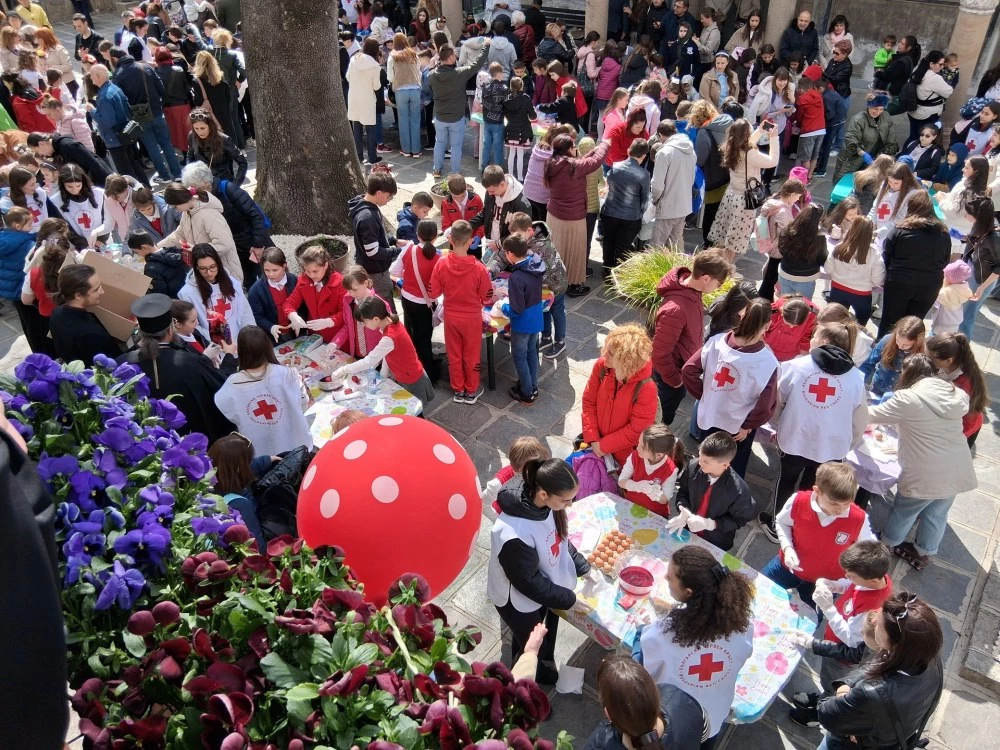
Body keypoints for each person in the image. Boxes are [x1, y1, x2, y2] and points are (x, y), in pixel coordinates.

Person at [636, 546, 754, 745]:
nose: (665, 578)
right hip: (714, 714)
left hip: (677, 721)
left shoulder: (661, 635)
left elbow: (643, 670)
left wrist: (640, 630)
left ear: (688, 592)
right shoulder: (741, 626)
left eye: (670, 577)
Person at [759, 321, 867, 534]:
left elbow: (777, 402)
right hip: (831, 447)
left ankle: (775, 525)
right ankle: (802, 525)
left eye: (814, 336)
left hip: (794, 439)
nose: (811, 339)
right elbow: (860, 419)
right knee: (813, 487)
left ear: (824, 342)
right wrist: (848, 442)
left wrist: (777, 427)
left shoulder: (795, 366)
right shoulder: (856, 378)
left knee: (786, 481)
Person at [870, 355, 978, 570]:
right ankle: (924, 551)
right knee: (937, 513)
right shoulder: (954, 394)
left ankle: (888, 544)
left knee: (905, 510)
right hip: (956, 466)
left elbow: (871, 415)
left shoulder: (907, 398)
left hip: (926, 473)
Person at [488, 458, 589, 685]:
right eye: (566, 500)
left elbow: (558, 539)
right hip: (513, 597)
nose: (570, 505)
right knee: (532, 642)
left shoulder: (546, 505)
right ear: (544, 495)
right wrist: (568, 599)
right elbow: (528, 583)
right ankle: (532, 679)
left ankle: (530, 654)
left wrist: (582, 565)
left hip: (538, 585)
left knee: (535, 628)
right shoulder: (513, 533)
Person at [816, 593, 944, 750]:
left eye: (879, 624)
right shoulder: (929, 657)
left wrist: (842, 691)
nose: (874, 620)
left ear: (894, 643)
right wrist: (848, 682)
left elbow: (826, 713)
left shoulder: (871, 693)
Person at [682, 297, 778, 478]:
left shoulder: (717, 342)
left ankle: (701, 484)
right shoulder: (768, 362)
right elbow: (766, 404)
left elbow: (688, 370)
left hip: (711, 414)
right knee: (733, 465)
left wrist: (706, 395)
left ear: (742, 316)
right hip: (738, 425)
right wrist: (749, 425)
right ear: (767, 326)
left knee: (707, 456)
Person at [120, 293, 233, 441]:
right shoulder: (190, 362)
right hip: (193, 438)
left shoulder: (123, 363)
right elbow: (222, 386)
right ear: (171, 329)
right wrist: (230, 357)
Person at [651, 251, 730, 426]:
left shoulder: (692, 290)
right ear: (706, 279)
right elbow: (659, 354)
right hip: (670, 378)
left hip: (680, 368)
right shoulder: (675, 310)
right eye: (719, 283)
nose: (718, 288)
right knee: (660, 419)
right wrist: (676, 381)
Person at [214, 326, 313, 455]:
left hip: (262, 455)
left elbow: (228, 413)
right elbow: (303, 404)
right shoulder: (288, 374)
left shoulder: (231, 385)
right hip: (296, 446)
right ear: (267, 347)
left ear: (241, 351)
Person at [330, 295, 436, 412]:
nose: (364, 326)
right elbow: (387, 353)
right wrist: (383, 373)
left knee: (415, 413)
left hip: (412, 379)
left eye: (364, 322)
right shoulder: (391, 321)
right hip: (408, 374)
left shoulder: (389, 337)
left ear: (375, 319)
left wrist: (344, 369)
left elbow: (369, 361)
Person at [583, 655, 707, 750]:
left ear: (608, 714)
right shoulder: (680, 700)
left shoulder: (599, 744)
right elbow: (703, 732)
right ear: (656, 693)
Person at [429, 220, 493, 404]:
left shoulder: (441, 264)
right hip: (472, 318)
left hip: (451, 316)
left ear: (450, 239)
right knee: (471, 355)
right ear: (470, 242)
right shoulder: (479, 268)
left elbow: (433, 292)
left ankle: (458, 390)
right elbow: (487, 296)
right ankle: (471, 390)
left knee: (454, 354)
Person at [581, 324, 658, 466]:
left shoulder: (646, 388)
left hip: (624, 458)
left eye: (610, 353)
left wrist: (603, 446)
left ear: (626, 359)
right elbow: (589, 402)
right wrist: (592, 437)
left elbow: (637, 430)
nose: (604, 354)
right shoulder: (602, 366)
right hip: (596, 444)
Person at [663, 432, 754, 552]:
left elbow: (739, 520)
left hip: (715, 541)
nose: (700, 463)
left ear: (725, 464)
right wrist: (683, 509)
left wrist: (710, 524)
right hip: (686, 530)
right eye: (700, 456)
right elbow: (683, 491)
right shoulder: (693, 466)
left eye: (706, 461)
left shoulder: (739, 491)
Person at [543, 133, 609, 296]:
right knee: (575, 252)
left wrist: (591, 152)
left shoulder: (552, 163)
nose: (576, 149)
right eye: (573, 146)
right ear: (567, 150)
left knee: (557, 250)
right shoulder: (574, 167)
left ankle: (555, 281)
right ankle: (573, 286)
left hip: (554, 217)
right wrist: (604, 145)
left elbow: (583, 161)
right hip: (573, 219)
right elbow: (594, 162)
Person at [877, 191, 949, 338]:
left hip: (899, 282)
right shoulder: (943, 233)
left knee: (890, 322)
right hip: (929, 286)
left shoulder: (900, 229)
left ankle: (882, 352)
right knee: (913, 325)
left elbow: (887, 255)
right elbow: (945, 261)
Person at [706, 119, 778, 261]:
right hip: (745, 200)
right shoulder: (750, 153)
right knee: (734, 241)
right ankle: (724, 270)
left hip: (731, 195)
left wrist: (760, 131)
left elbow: (746, 144)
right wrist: (774, 138)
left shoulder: (730, 146)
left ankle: (715, 263)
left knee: (724, 235)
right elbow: (772, 161)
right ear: (746, 134)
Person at [109, 48, 184, 182]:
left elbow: (120, 100)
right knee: (166, 144)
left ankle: (164, 176)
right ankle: (177, 174)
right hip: (156, 111)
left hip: (138, 117)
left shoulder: (117, 75)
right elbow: (161, 89)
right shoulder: (145, 67)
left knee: (152, 147)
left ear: (114, 59)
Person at [388, 219, 441, 383]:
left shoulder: (408, 249)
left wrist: (408, 276)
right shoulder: (438, 258)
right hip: (426, 303)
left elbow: (394, 271)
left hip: (407, 299)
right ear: (435, 237)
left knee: (411, 335)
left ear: (418, 235)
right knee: (424, 338)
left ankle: (414, 368)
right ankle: (429, 374)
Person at [429, 40, 491, 178]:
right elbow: (477, 64)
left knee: (439, 143)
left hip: (439, 116)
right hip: (457, 116)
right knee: (456, 147)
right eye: (455, 55)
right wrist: (486, 46)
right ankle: (454, 172)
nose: (456, 57)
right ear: (450, 57)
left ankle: (437, 170)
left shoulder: (431, 75)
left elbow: (428, 88)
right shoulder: (460, 73)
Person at [159, 182, 242, 283]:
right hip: (208, 271)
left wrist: (196, 250)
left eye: (175, 207)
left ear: (181, 201)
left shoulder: (209, 215)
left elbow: (224, 244)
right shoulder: (188, 213)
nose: (176, 210)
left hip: (225, 271)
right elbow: (179, 234)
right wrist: (157, 248)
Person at [496, 234, 545, 404]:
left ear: (509, 254)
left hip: (522, 324)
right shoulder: (536, 264)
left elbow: (516, 310)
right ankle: (533, 385)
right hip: (536, 319)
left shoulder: (516, 277)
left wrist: (502, 305)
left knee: (519, 357)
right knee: (532, 353)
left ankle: (526, 392)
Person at [87, 64, 150, 186]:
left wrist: (92, 111)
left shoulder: (104, 96)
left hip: (115, 139)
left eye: (92, 75)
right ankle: (146, 188)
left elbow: (108, 121)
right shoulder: (115, 88)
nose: (91, 78)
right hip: (127, 134)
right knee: (135, 164)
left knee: (126, 171)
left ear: (98, 77)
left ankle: (138, 195)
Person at [178, 243, 253, 342]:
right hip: (213, 346)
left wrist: (249, 337)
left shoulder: (232, 282)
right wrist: (218, 341)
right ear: (196, 267)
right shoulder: (187, 293)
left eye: (212, 266)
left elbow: (245, 312)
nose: (209, 272)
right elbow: (194, 326)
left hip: (241, 341)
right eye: (203, 268)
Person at [48, 263, 121, 364]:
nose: (102, 292)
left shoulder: (57, 313)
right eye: (96, 290)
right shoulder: (90, 333)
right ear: (78, 295)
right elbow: (113, 364)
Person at [349, 170, 400, 311]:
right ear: (379, 193)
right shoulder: (368, 217)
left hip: (369, 266)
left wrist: (393, 240)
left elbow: (377, 236)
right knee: (386, 307)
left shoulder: (364, 204)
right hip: (375, 272)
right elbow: (373, 252)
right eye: (389, 197)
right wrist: (397, 251)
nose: (388, 200)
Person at [927, 332, 988, 448]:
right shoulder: (945, 367)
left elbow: (969, 420)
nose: (927, 360)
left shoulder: (965, 384)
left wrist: (951, 441)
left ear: (948, 361)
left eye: (930, 358)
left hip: (963, 431)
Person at [600, 138, 650, 274]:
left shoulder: (615, 167)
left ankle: (606, 269)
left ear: (629, 151)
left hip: (609, 212)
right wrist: (640, 213)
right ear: (644, 156)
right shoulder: (644, 175)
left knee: (608, 241)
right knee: (623, 247)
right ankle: (618, 274)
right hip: (630, 216)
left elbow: (608, 185)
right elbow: (645, 200)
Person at [281, 244, 347, 344]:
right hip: (315, 335)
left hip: (337, 336)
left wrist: (329, 321)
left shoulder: (341, 283)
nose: (311, 275)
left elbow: (346, 313)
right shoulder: (303, 280)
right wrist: (292, 315)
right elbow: (289, 303)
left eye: (315, 271)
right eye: (307, 271)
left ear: (326, 265)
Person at [825, 216, 884, 326]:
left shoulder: (839, 247)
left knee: (834, 322)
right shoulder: (875, 254)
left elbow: (828, 269)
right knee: (860, 324)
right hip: (862, 295)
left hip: (837, 289)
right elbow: (878, 280)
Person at [831, 92, 899, 186]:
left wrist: (884, 157)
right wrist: (862, 153)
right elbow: (851, 138)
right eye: (875, 109)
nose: (878, 112)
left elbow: (891, 139)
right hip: (854, 158)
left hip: (875, 159)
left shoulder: (886, 118)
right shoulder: (858, 119)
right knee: (844, 183)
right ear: (869, 106)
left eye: (881, 109)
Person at [617, 424, 685, 517]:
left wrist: (655, 493)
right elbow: (621, 481)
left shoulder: (671, 470)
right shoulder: (634, 457)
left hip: (655, 514)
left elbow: (665, 498)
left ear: (659, 455)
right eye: (639, 443)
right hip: (632, 505)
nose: (637, 448)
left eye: (643, 447)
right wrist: (636, 486)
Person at [648, 120, 696, 249]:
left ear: (660, 135)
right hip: (684, 205)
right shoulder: (691, 150)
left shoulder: (664, 153)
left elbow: (657, 184)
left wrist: (654, 200)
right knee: (675, 246)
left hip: (667, 206)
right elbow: (691, 179)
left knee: (656, 248)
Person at [959, 197, 1000, 338]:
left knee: (967, 314)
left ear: (979, 216)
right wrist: (965, 237)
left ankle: (962, 347)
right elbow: (979, 242)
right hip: (973, 269)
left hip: (982, 279)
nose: (965, 216)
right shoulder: (982, 224)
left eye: (968, 213)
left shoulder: (995, 236)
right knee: (961, 309)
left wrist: (982, 287)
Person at [471, 165, 532, 253]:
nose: (489, 194)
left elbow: (522, 233)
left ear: (502, 184)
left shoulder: (521, 203)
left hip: (509, 249)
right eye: (488, 191)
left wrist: (500, 243)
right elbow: (485, 213)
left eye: (492, 191)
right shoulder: (491, 191)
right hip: (491, 244)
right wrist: (467, 225)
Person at [862, 315, 926, 397]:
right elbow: (869, 363)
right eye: (897, 341)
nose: (900, 346)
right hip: (877, 388)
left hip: (899, 396)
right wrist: (859, 380)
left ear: (917, 342)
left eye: (906, 345)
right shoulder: (887, 340)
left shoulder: (923, 354)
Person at [247, 247, 300, 344]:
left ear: (284, 266)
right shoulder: (255, 290)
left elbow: (304, 307)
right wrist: (271, 327)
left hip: (297, 332)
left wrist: (298, 321)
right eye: (266, 270)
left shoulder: (295, 281)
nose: (270, 274)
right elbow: (257, 316)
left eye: (275, 270)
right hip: (272, 338)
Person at [482, 436, 551, 510]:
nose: (540, 470)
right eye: (533, 468)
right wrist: (498, 517)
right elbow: (483, 503)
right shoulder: (498, 484)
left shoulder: (537, 473)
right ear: (518, 469)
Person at [26, 130, 111, 189]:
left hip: (101, 182)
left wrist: (109, 182)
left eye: (37, 151)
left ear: (41, 144)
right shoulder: (56, 150)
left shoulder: (67, 145)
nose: (40, 154)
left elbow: (92, 162)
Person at [345, 37, 382, 166]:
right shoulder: (375, 65)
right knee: (370, 128)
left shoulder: (354, 59)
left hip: (354, 96)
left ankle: (359, 156)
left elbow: (348, 77)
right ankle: (372, 156)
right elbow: (376, 86)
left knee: (357, 127)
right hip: (367, 98)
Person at [186, 108, 247, 184]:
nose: (199, 132)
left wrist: (235, 184)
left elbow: (242, 163)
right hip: (202, 182)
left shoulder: (223, 139)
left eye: (203, 128)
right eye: (196, 128)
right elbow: (190, 158)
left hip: (223, 182)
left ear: (210, 126)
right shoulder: (192, 136)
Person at [907, 51, 952, 143]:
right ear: (931, 64)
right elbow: (948, 91)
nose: (942, 67)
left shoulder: (918, 73)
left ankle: (904, 155)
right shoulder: (935, 78)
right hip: (928, 115)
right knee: (921, 140)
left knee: (913, 137)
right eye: (940, 64)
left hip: (914, 111)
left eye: (944, 65)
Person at [764, 295, 817, 361]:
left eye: (796, 326)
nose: (791, 327)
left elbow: (806, 339)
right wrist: (765, 348)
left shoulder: (812, 316)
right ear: (782, 313)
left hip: (792, 358)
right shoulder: (773, 311)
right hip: (769, 353)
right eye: (788, 324)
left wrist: (802, 359)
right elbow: (759, 330)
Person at [932, 260, 974, 335]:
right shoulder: (964, 288)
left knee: (936, 341)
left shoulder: (946, 293)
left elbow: (935, 297)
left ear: (949, 279)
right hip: (955, 321)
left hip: (942, 323)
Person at [440, 174, 484, 238]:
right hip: (456, 239)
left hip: (473, 238)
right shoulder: (445, 203)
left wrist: (479, 235)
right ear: (449, 191)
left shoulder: (476, 199)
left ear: (466, 187)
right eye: (455, 197)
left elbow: (482, 219)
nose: (459, 200)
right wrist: (449, 236)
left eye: (462, 196)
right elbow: (445, 224)